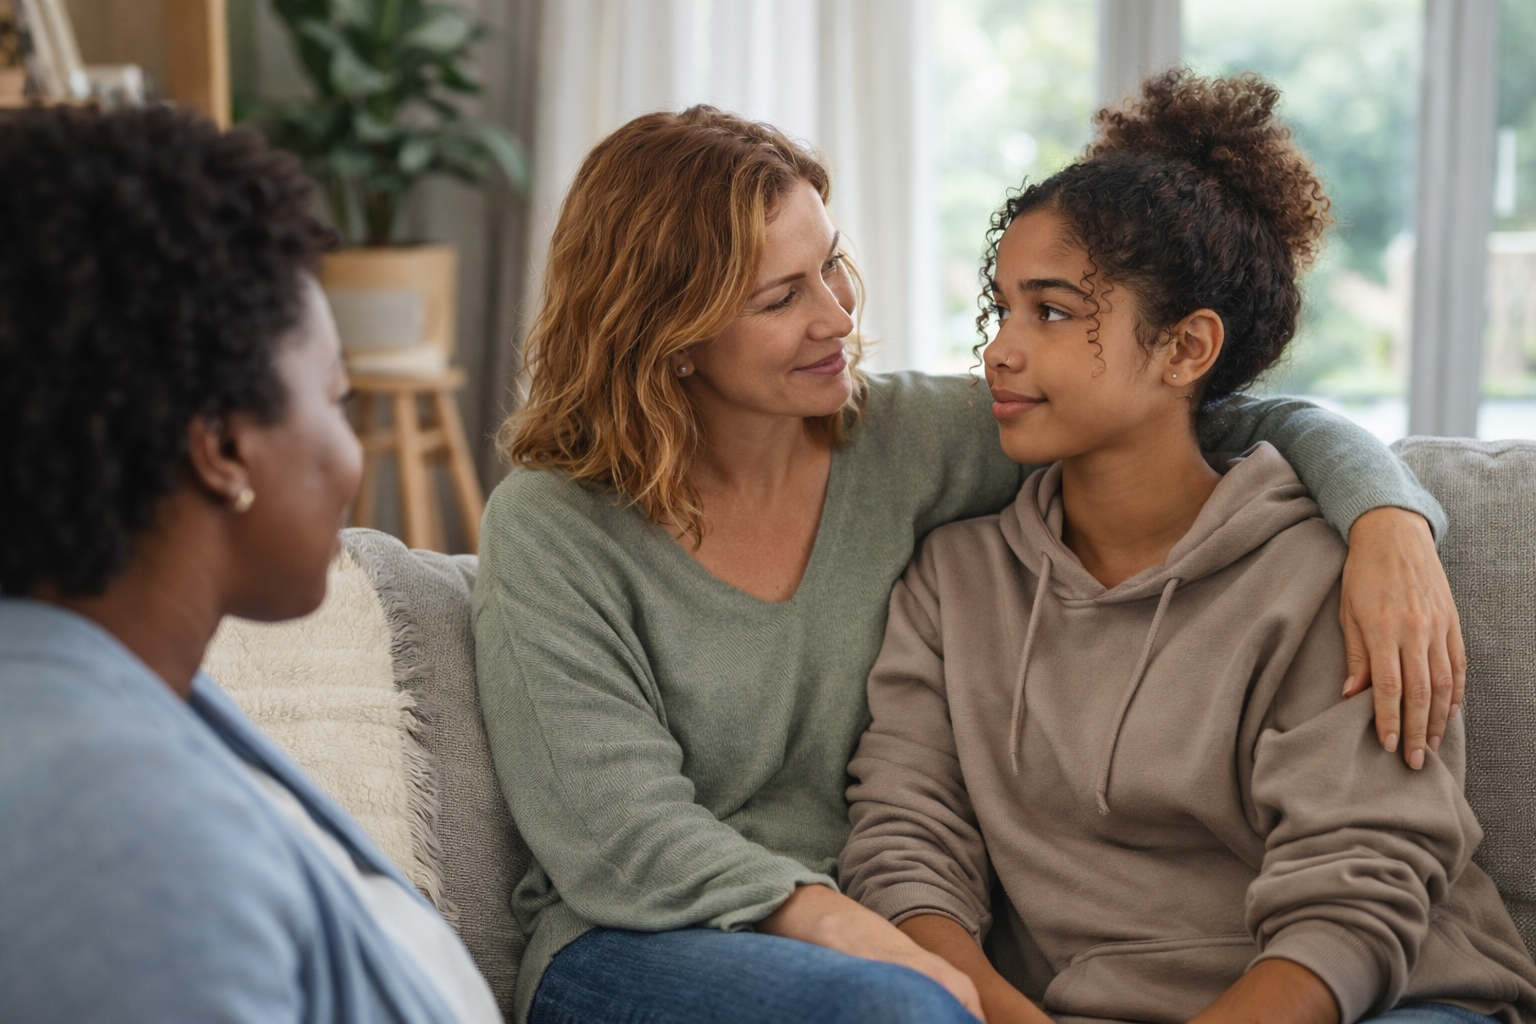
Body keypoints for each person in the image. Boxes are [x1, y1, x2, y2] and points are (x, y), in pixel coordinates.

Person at [474, 104, 1469, 1024]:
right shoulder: (555, 528)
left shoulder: (917, 440)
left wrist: (1385, 517)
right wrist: (863, 934)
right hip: (651, 936)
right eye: (781, 297)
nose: (837, 316)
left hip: (889, 945)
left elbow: (1191, 413)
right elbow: (617, 833)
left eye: (833, 264)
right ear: (671, 336)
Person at [838, 71, 1536, 1024]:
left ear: (1185, 349)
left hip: (1386, 1005)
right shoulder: (953, 583)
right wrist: (992, 1012)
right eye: (1001, 310)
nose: (1000, 350)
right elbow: (905, 843)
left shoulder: (1322, 578)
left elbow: (1358, 892)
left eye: (1051, 312)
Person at [0, 107, 500, 1024]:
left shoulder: (130, 692)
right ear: (224, 445)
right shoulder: (121, 826)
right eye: (336, 400)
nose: (351, 457)